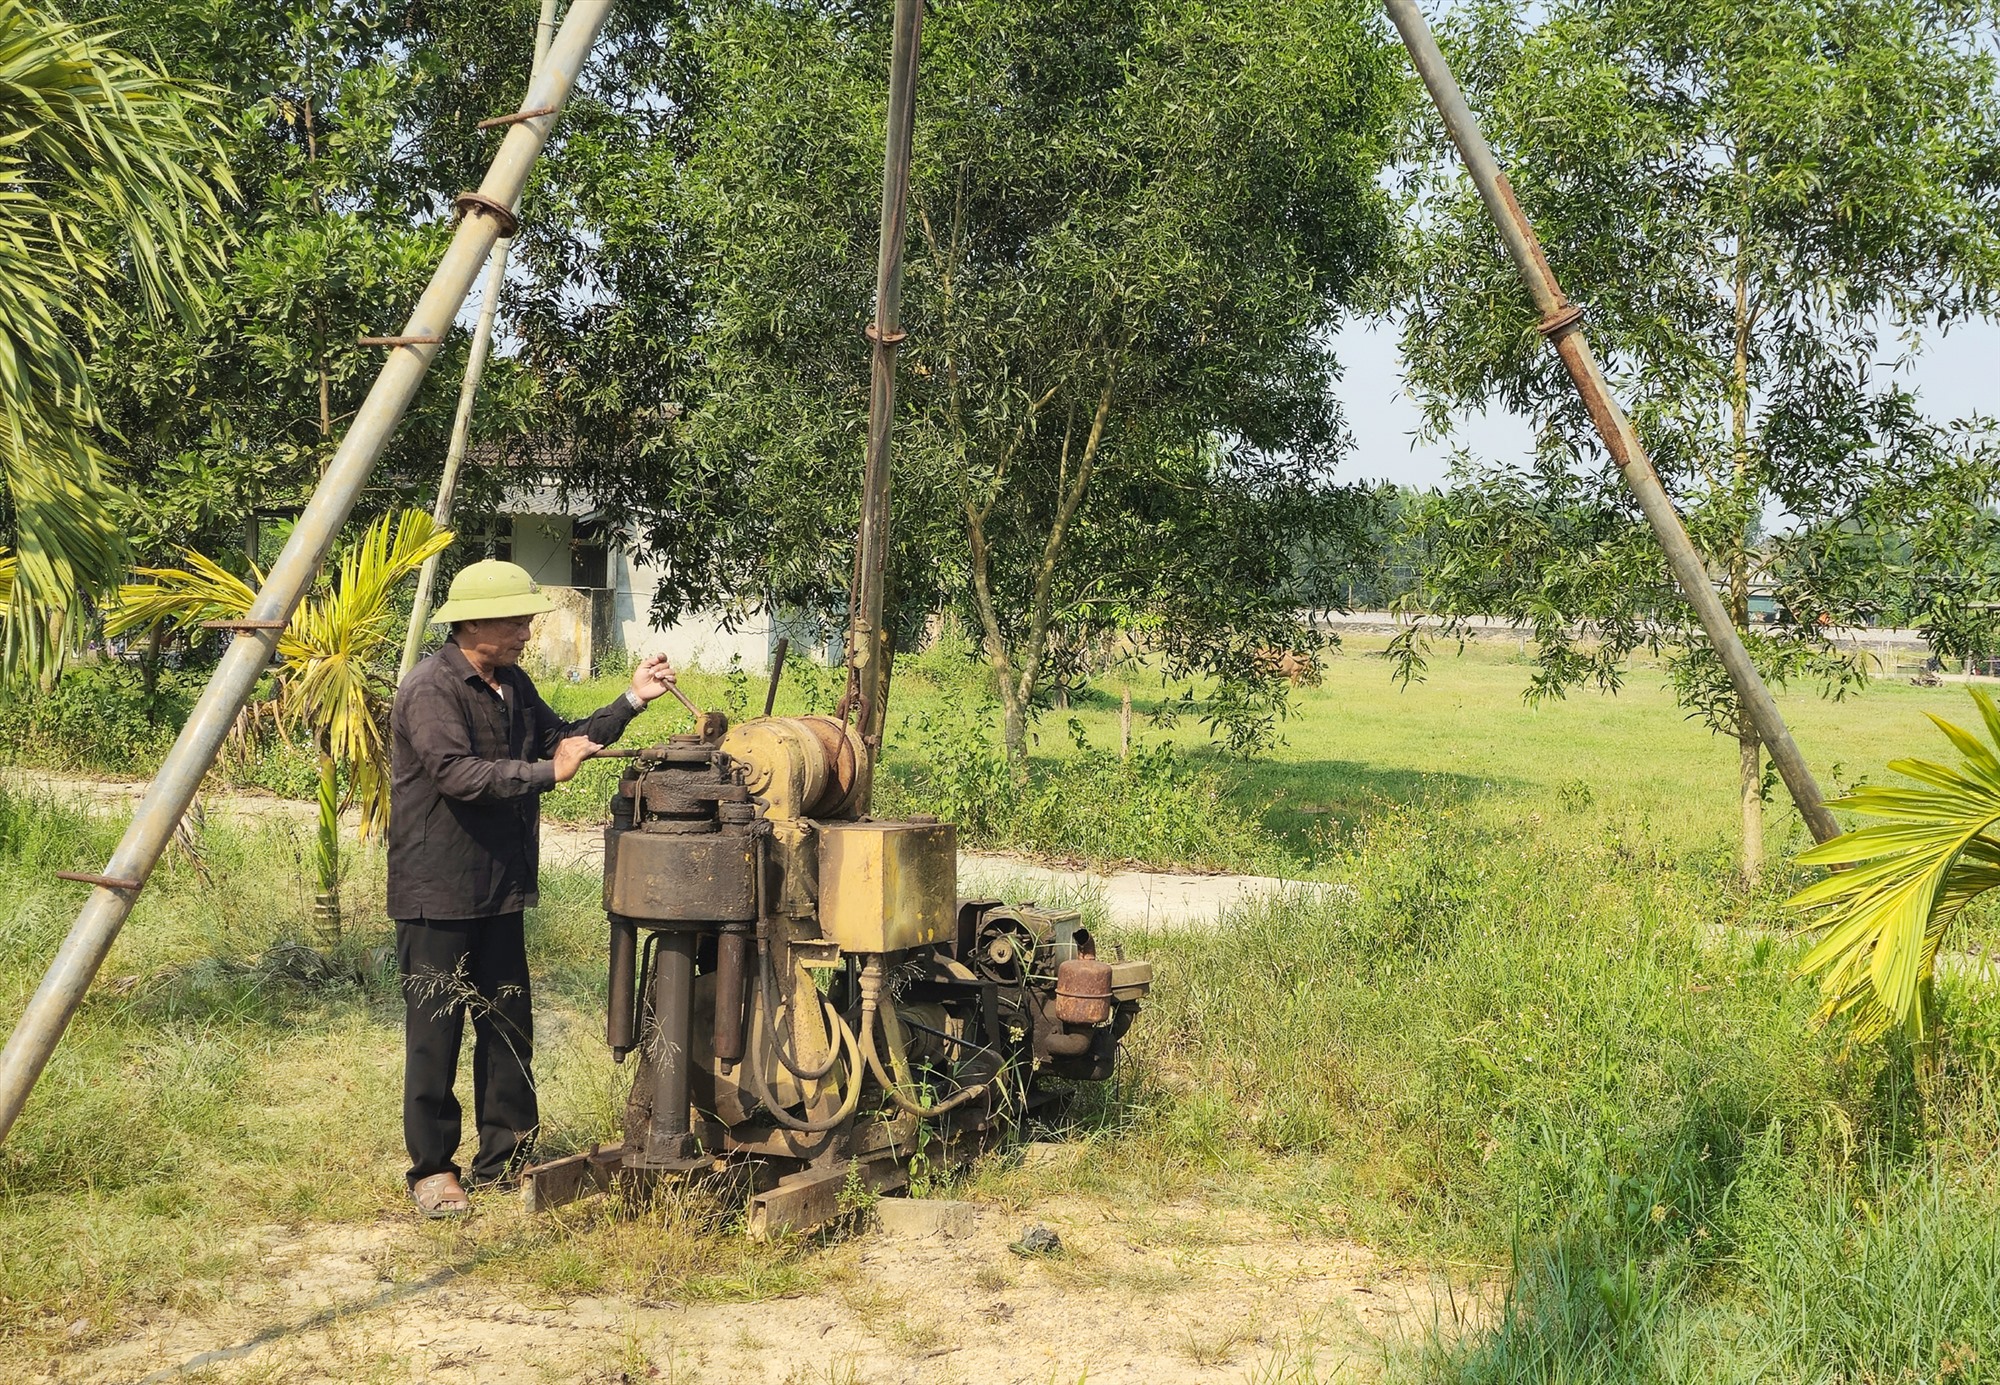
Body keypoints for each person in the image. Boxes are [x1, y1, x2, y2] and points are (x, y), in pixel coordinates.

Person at [388, 558, 677, 1217]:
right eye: (516, 620)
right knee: (435, 1034)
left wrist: (633, 698)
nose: (525, 631)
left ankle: (506, 1159)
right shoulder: (431, 689)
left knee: (508, 1024)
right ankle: (433, 1170)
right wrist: (550, 772)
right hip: (436, 893)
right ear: (474, 624)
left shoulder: (511, 683)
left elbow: (567, 737)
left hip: (499, 890)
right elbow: (460, 775)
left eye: (525, 619)